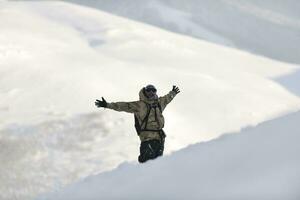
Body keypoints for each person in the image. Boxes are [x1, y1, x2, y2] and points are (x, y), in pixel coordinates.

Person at [95, 85, 180, 163]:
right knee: (146, 164)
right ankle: (139, 177)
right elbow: (123, 106)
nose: (151, 92)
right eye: (149, 90)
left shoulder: (159, 103)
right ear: (145, 92)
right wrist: (107, 105)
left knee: (157, 165)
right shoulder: (139, 105)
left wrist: (173, 92)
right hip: (147, 139)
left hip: (160, 139)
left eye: (153, 90)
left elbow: (167, 98)